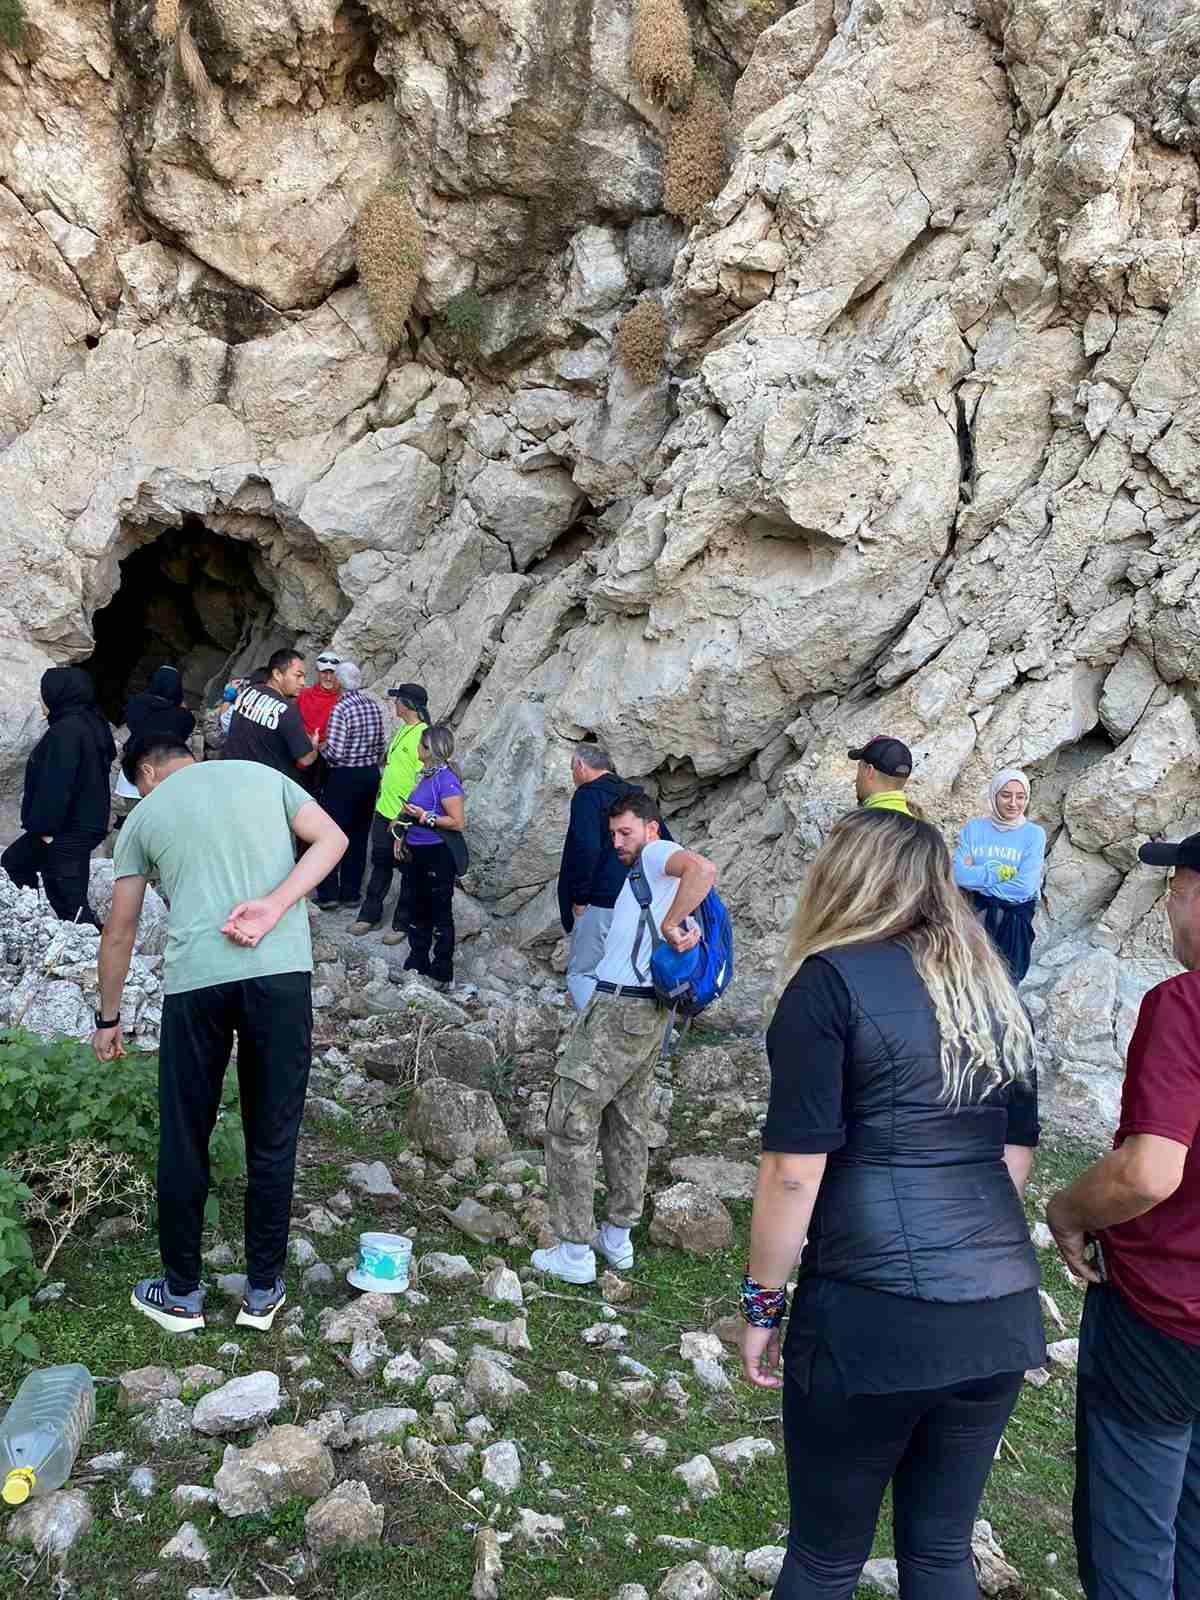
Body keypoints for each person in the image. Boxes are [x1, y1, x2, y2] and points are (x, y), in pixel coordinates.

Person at [740, 807, 1043, 1600]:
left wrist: (762, 1303)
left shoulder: (828, 982)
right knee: (941, 1552)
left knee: (824, 1559)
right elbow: (1014, 1157)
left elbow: (793, 1173)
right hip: (998, 1311)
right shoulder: (994, 992)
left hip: (871, 1315)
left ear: (842, 879)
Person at [92, 734, 347, 1334]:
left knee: (185, 1133)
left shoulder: (145, 816)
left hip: (196, 984)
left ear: (147, 772)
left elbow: (120, 930)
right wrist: (274, 905)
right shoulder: (263, 778)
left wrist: (108, 1019)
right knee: (273, 1133)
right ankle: (262, 1290)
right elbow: (333, 839)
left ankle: (182, 1293)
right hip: (280, 975)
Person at [1046, 831, 1200, 1600]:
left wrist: (1066, 1210)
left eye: (1176, 888)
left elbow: (1147, 1172)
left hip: (1162, 1316)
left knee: (1130, 1542)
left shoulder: (1185, 1004)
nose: (1169, 905)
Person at [533, 792, 717, 1285]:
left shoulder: (656, 854)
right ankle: (617, 1237)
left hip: (619, 1010)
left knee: (568, 1119)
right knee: (628, 1122)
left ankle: (574, 1250)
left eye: (626, 832)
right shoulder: (646, 868)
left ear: (652, 828)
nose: (617, 841)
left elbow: (703, 869)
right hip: (646, 1013)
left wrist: (671, 922)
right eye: (613, 833)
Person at [1, 667, 116, 928]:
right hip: (83, 824)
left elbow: (56, 783)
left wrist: (45, 830)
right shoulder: (90, 723)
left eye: (43, 692)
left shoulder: (66, 731)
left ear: (58, 694)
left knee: (69, 901)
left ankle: (91, 944)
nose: (41, 698)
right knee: (19, 865)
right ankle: (35, 922)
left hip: (66, 828)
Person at [556, 744, 651, 1011]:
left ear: (580, 766)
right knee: (625, 971)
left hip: (601, 897)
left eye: (572, 769)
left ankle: (594, 1030)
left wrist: (579, 898)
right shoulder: (636, 796)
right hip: (638, 897)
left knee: (582, 973)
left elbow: (586, 848)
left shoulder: (587, 796)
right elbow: (661, 840)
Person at [953, 769, 1046, 984]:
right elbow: (958, 875)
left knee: (1005, 985)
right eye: (1006, 795)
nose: (1013, 803)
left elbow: (1024, 887)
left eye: (1020, 797)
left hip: (1013, 924)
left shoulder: (1034, 834)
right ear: (994, 795)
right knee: (968, 980)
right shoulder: (974, 829)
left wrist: (977, 879)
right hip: (973, 917)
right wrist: (997, 874)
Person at [351, 683, 429, 936]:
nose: (394, 704)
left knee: (408, 871)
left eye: (398, 700)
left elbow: (422, 781)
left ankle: (401, 924)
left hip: (404, 818)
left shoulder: (424, 736)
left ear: (407, 704)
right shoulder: (404, 729)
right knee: (381, 863)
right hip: (384, 811)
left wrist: (404, 818)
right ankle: (369, 916)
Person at [389, 725, 466, 983]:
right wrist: (402, 834)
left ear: (429, 749)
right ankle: (417, 962)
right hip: (417, 850)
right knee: (417, 906)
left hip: (437, 853)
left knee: (440, 912)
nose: (417, 748)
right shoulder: (426, 776)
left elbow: (457, 822)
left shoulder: (446, 780)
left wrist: (425, 817)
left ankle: (441, 971)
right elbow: (414, 811)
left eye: (420, 744)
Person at [314, 663, 386, 910]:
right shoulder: (373, 705)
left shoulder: (341, 708)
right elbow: (381, 746)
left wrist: (319, 748)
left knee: (331, 833)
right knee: (358, 835)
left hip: (344, 776)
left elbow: (335, 752)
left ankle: (328, 894)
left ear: (339, 682)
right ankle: (351, 893)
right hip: (370, 775)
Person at [224, 648, 318, 779]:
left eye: (304, 677)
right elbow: (306, 759)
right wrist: (313, 745)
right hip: (262, 782)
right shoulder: (286, 710)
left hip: (230, 772)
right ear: (277, 674)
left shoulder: (248, 692)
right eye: (298, 675)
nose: (303, 682)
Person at [114, 665, 197, 809]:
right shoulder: (183, 717)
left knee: (129, 814)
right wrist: (182, 708)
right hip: (162, 778)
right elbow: (187, 727)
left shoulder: (136, 704)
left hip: (132, 772)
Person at [848, 735, 915, 814]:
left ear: (869, 771)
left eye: (860, 768)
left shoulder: (860, 821)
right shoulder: (918, 821)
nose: (855, 780)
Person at [297, 650, 342, 746]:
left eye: (332, 673)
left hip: (329, 748)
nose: (328, 678)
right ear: (317, 672)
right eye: (324, 672)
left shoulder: (342, 700)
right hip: (302, 744)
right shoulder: (303, 695)